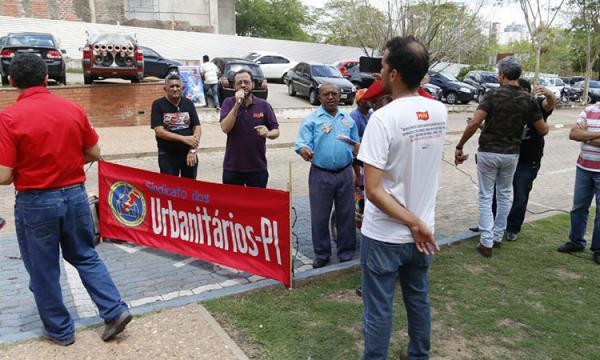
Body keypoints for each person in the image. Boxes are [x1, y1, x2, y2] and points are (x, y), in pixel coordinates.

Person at [0, 53, 131, 346]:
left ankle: (60, 331)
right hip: (74, 195)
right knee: (85, 255)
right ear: (47, 78)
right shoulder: (72, 108)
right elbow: (95, 152)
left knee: (43, 268)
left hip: (36, 201)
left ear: (10, 81)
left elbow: (4, 175)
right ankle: (114, 311)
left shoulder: (8, 118)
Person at [358, 36, 447, 360]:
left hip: (386, 234)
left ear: (393, 73)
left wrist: (412, 223)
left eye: (382, 64)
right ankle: (419, 354)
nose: (379, 70)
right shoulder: (439, 111)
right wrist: (419, 224)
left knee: (378, 309)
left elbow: (374, 190)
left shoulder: (383, 119)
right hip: (422, 233)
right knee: (418, 298)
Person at [455, 57, 548, 258]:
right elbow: (543, 129)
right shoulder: (528, 99)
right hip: (511, 154)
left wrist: (460, 145)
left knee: (486, 195)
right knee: (505, 194)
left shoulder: (492, 94)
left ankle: (486, 241)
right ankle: (497, 236)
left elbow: (474, 123)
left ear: (502, 75)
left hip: (489, 151)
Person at [295, 83, 359, 269]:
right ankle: (322, 254)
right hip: (320, 175)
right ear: (320, 98)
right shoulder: (311, 120)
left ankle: (346, 253)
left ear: (339, 97)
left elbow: (356, 145)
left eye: (334, 94)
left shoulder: (348, 119)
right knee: (320, 216)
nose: (330, 97)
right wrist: (304, 150)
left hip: (345, 173)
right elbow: (301, 144)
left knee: (346, 215)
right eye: (326, 94)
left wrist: (357, 161)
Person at [504, 79, 555, 241]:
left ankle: (513, 228)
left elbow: (550, 104)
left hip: (528, 159)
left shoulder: (537, 105)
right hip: (508, 155)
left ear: (526, 91)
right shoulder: (509, 106)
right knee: (497, 193)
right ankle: (491, 222)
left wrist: (549, 93)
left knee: (520, 194)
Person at [220, 70, 280, 188]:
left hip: (257, 168)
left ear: (252, 84)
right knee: (233, 205)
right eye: (239, 83)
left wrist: (268, 133)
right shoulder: (228, 103)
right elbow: (225, 128)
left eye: (246, 82)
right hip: (232, 168)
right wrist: (237, 104)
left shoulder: (264, 105)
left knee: (257, 205)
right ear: (234, 86)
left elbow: (276, 131)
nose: (243, 85)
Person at [558, 102, 600, 265]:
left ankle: (598, 249)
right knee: (579, 207)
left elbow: (580, 134)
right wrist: (593, 136)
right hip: (583, 166)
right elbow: (573, 134)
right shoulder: (590, 109)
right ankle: (576, 241)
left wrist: (586, 134)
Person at [151, 73, 201, 179]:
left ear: (182, 88)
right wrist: (184, 139)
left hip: (189, 154)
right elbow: (159, 131)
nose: (175, 89)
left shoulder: (189, 103)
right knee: (169, 188)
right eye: (171, 86)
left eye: (177, 86)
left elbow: (197, 127)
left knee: (190, 188)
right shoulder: (158, 104)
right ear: (165, 89)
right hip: (168, 155)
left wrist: (192, 150)